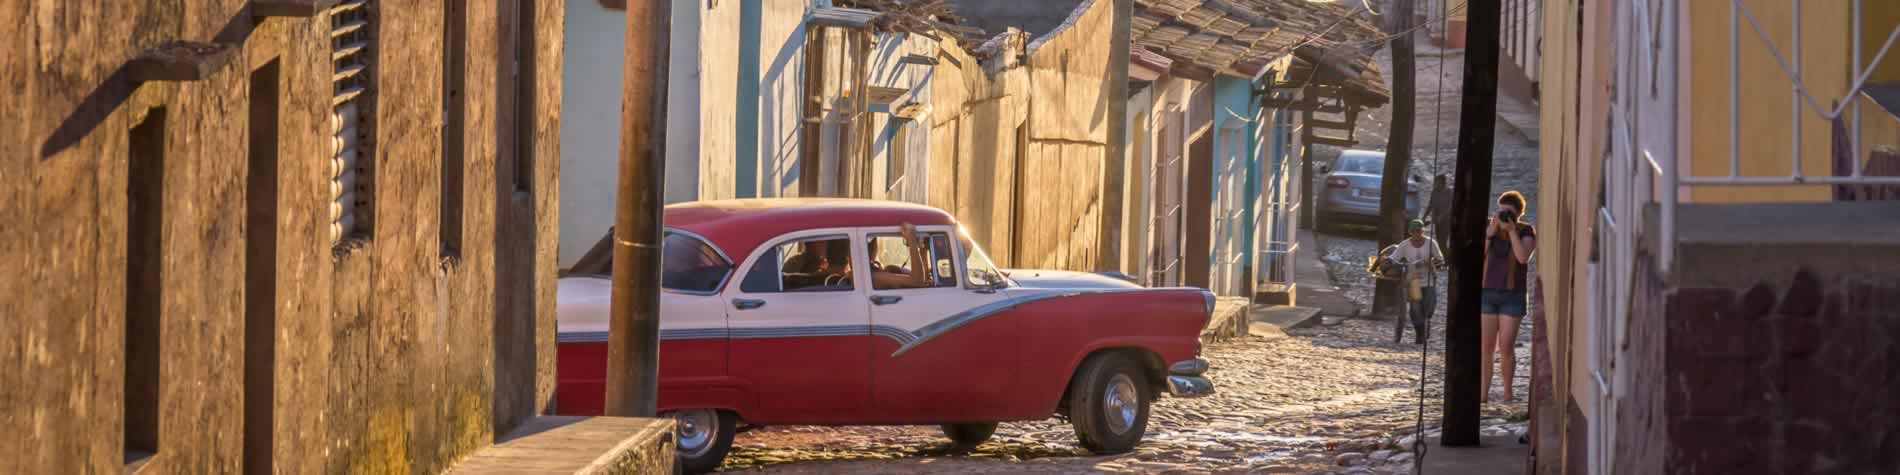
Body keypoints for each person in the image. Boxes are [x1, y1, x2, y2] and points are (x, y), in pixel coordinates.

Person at [1480, 191, 1536, 403]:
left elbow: (1522, 257)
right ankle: (1483, 394)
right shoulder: (1490, 227)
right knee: (1485, 347)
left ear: (1518, 214)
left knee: (1506, 346)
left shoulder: (1526, 231)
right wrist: (1490, 233)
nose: (1503, 215)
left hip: (1512, 296)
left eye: (1509, 213)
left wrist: (1512, 231)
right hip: (1487, 293)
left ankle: (1507, 393)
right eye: (1501, 210)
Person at [1386, 218, 1444, 344]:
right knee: (1415, 309)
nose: (1417, 233)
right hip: (1414, 281)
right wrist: (1386, 262)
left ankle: (1426, 322)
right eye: (1414, 231)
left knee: (1429, 307)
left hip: (1428, 279)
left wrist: (1429, 262)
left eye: (1419, 231)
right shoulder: (1405, 245)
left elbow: (1440, 260)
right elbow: (1394, 257)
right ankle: (1420, 334)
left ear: (1423, 231)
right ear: (1410, 232)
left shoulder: (1431, 243)